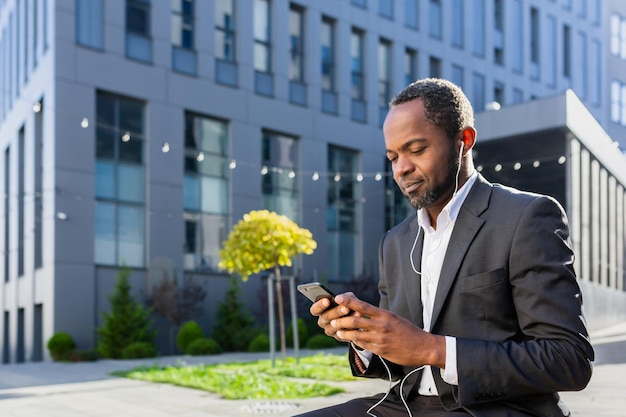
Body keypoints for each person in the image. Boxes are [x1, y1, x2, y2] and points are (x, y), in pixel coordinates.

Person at [297, 78, 594, 417]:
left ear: (463, 142)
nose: (401, 169)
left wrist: (432, 349)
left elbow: (568, 360)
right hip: (404, 407)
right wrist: (365, 338)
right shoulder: (396, 242)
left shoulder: (526, 216)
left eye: (416, 150)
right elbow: (399, 361)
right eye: (393, 156)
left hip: (493, 409)